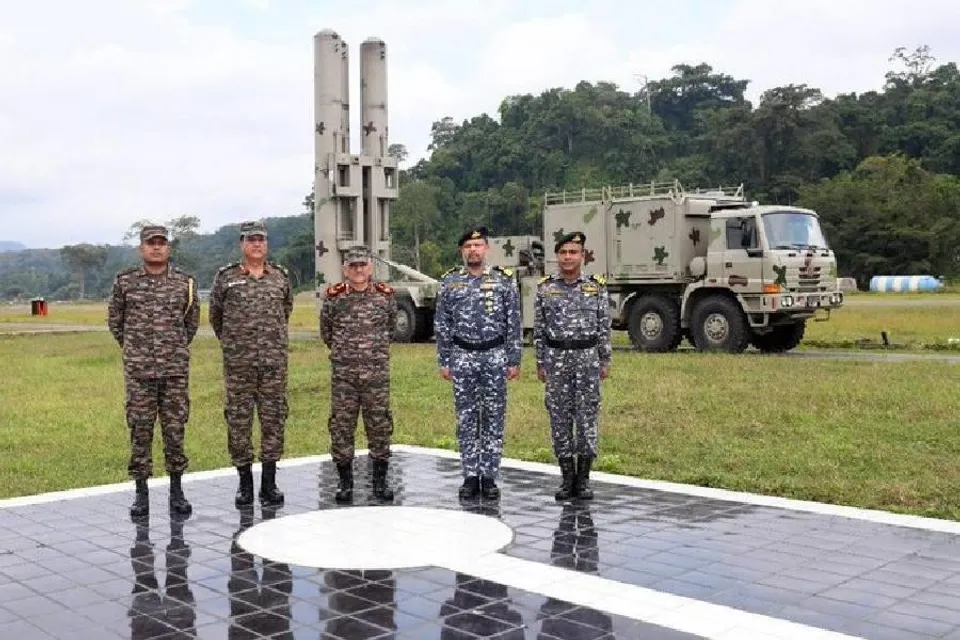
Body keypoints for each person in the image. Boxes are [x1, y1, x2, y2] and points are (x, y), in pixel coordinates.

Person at [107, 224, 200, 517]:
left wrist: (173, 348)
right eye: (151, 243)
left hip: (174, 372)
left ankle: (177, 491)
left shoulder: (184, 283)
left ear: (168, 248)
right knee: (140, 430)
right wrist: (136, 350)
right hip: (140, 373)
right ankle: (141, 494)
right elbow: (116, 322)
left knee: (175, 430)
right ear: (141, 248)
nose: (156, 247)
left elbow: (191, 324)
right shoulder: (126, 282)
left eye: (161, 242)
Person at [209, 220, 293, 508]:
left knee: (273, 420)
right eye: (251, 239)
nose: (256, 244)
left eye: (261, 239)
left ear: (266, 243)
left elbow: (286, 311)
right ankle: (244, 484)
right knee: (239, 422)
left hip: (273, 365)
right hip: (239, 366)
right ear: (242, 244)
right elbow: (216, 318)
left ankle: (269, 483)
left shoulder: (280, 276)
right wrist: (236, 345)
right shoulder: (226, 277)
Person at [434, 226, 522, 500]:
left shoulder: (503, 281)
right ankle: (470, 475)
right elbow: (442, 323)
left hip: (494, 356)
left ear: (487, 248)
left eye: (478, 245)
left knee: (494, 417)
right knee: (466, 418)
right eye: (468, 246)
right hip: (462, 356)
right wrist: (444, 360)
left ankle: (490, 476)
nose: (473, 250)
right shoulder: (450, 282)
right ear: (462, 251)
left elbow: (513, 322)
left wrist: (514, 359)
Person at [533, 231, 611, 500]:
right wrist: (540, 362)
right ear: (557, 256)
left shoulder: (596, 287)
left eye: (573, 252)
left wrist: (605, 359)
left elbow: (604, 327)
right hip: (556, 360)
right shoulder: (546, 288)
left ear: (583, 256)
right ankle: (567, 478)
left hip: (587, 359)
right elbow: (539, 329)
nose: (568, 257)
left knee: (587, 418)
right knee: (559, 418)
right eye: (563, 253)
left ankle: (583, 479)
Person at [320, 245, 397, 503]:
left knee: (380, 426)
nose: (358, 270)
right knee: (341, 427)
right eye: (353, 266)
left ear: (370, 267)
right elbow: (326, 332)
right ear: (345, 269)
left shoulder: (385, 296)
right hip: (345, 377)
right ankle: (345, 484)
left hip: (376, 376)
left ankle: (379, 483)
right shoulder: (334, 297)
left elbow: (390, 329)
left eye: (362, 265)